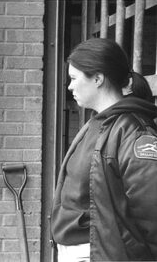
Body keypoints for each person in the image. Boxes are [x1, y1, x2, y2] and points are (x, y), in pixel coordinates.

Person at [50, 38, 157, 262]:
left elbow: (151, 210)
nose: (69, 86)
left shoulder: (134, 132)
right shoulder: (96, 123)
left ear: (97, 78)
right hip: (79, 250)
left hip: (103, 253)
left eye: (73, 78)